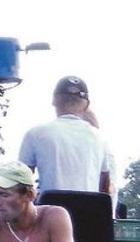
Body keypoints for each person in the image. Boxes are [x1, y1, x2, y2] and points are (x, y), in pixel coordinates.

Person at [17, 76, 116, 207]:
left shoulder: (35, 134)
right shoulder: (100, 139)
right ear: (86, 105)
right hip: (89, 218)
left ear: (54, 100)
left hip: (50, 217)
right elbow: (104, 188)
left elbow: (20, 182)